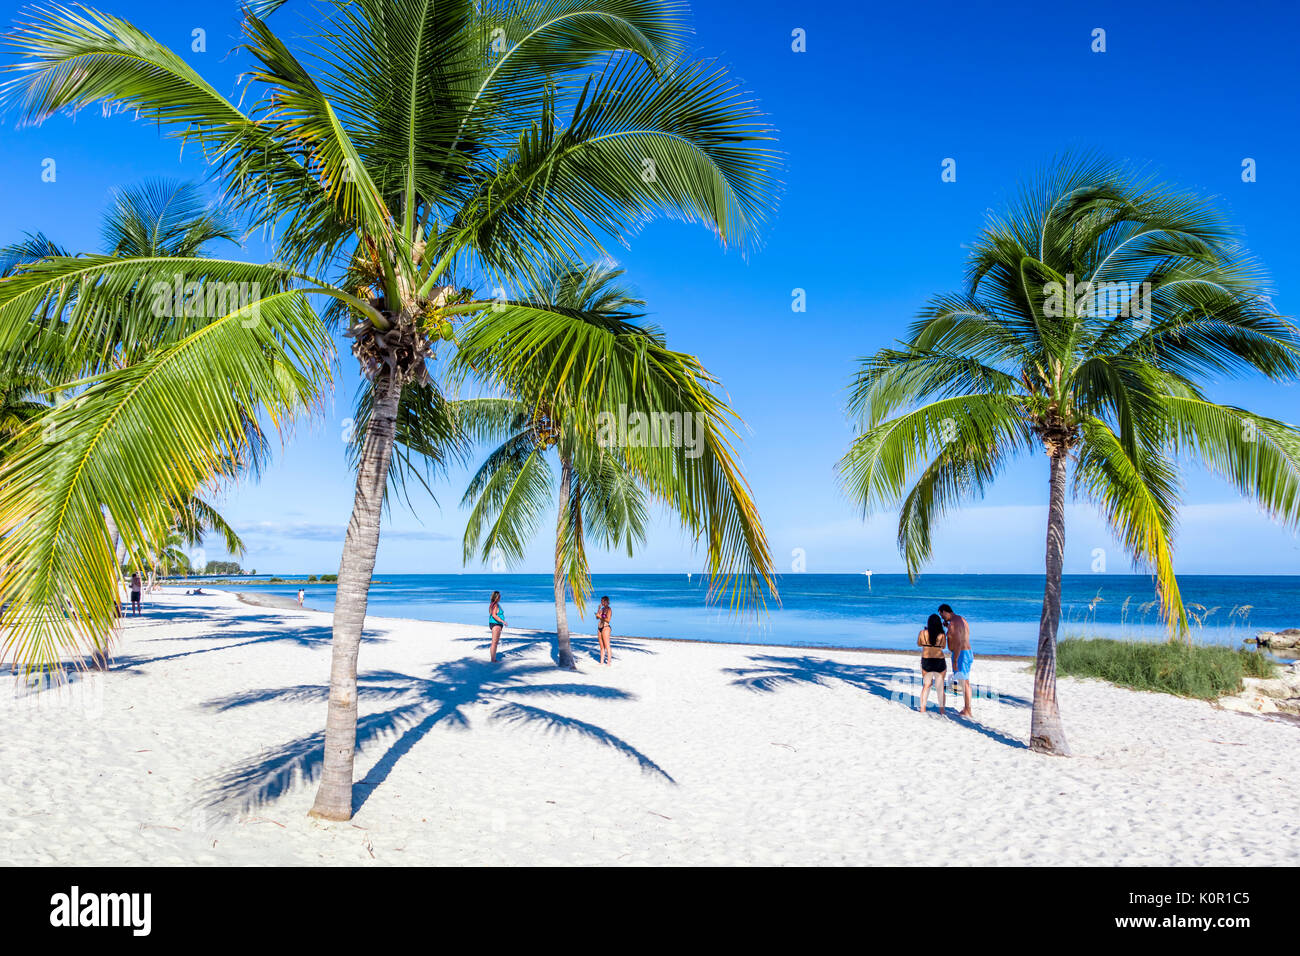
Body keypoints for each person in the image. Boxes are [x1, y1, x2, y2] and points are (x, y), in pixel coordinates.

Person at [940, 603, 974, 717]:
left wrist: (955, 660)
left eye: (942, 615)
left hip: (961, 654)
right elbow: (962, 635)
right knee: (966, 682)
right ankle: (967, 708)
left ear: (945, 611)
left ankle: (968, 710)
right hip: (968, 652)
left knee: (964, 683)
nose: (942, 618)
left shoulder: (953, 624)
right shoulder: (961, 619)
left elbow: (959, 643)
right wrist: (948, 628)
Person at [916, 613, 947, 714]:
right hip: (939, 660)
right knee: (940, 686)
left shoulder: (922, 632)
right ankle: (942, 710)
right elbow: (943, 647)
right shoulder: (942, 635)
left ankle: (922, 709)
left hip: (926, 660)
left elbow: (919, 644)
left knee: (926, 685)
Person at [487, 591, 506, 663]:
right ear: (497, 597)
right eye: (499, 596)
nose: (500, 598)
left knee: (495, 642)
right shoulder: (495, 605)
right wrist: (503, 621)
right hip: (496, 624)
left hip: (495, 624)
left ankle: (493, 658)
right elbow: (494, 615)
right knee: (494, 643)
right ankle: (493, 659)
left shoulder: (493, 604)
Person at [596, 596, 613, 666]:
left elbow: (608, 620)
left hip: (606, 627)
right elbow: (597, 617)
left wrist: (600, 617)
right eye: (601, 601)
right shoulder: (602, 609)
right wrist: (598, 609)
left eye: (602, 601)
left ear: (606, 602)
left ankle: (608, 662)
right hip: (599, 627)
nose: (601, 603)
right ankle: (601, 661)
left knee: (607, 645)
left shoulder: (609, 609)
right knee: (602, 647)